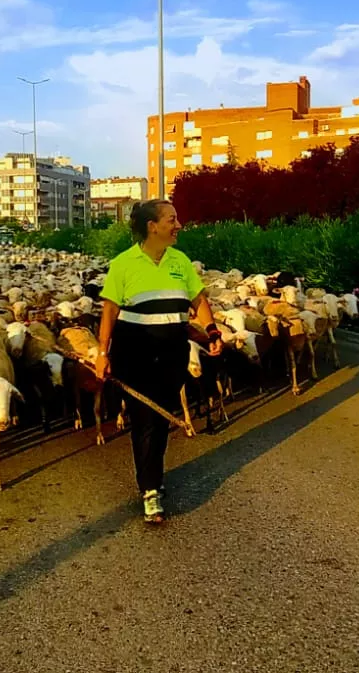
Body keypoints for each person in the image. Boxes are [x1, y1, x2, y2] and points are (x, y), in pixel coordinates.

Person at [94, 200, 225, 525]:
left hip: (172, 353)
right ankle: (150, 489)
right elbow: (109, 311)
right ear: (152, 226)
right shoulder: (123, 264)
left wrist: (211, 330)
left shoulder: (180, 261)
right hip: (134, 351)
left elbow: (198, 300)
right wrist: (102, 353)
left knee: (162, 417)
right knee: (144, 420)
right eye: (172, 219)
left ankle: (152, 475)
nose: (178, 224)